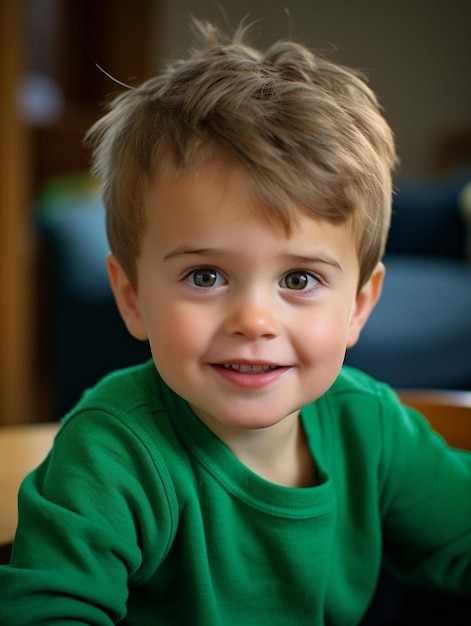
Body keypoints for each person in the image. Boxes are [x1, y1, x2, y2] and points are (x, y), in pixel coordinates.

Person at [1, 19, 470, 625]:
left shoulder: (370, 426)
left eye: (299, 280)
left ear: (358, 305)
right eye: (205, 276)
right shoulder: (111, 453)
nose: (253, 320)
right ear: (132, 297)